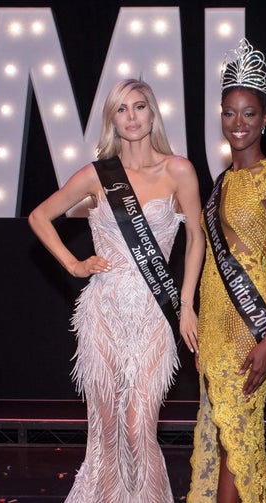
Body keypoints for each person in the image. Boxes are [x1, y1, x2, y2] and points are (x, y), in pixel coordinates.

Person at [28, 78, 205, 502]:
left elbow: (196, 238)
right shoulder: (97, 174)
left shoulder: (179, 170)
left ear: (152, 113)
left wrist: (185, 303)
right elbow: (39, 216)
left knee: (139, 423)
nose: (131, 117)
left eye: (139, 107)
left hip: (155, 309)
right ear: (112, 119)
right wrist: (73, 264)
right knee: (107, 427)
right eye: (122, 109)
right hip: (103, 309)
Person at [187, 39, 266, 503]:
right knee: (223, 432)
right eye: (229, 113)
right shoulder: (220, 182)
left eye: (249, 113)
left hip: (249, 328)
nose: (238, 123)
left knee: (241, 438)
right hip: (213, 324)